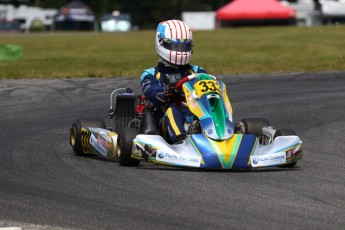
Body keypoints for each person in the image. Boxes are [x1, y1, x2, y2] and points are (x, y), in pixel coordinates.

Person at [140, 19, 207, 144]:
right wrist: (168, 94)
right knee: (172, 109)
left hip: (194, 113)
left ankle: (222, 134)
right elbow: (154, 95)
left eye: (184, 47)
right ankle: (181, 140)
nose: (180, 51)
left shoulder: (198, 71)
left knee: (211, 108)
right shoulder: (150, 74)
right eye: (176, 46)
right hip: (164, 121)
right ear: (161, 43)